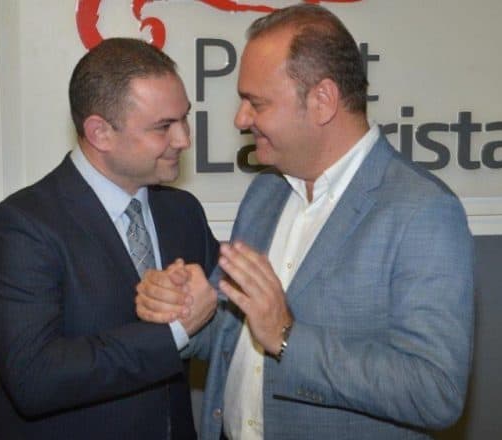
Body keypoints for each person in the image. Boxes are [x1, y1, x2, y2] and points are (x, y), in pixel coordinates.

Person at [135, 4, 474, 440]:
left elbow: (435, 392)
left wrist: (287, 337)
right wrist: (187, 310)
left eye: (256, 103)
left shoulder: (422, 212)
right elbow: (234, 338)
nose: (240, 119)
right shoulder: (265, 193)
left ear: (322, 101)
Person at [0, 38, 219, 439]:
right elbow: (36, 378)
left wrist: (212, 302)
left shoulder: (183, 212)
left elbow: (222, 319)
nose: (183, 139)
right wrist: (175, 331)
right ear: (100, 132)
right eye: (163, 127)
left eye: (184, 119)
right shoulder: (22, 225)